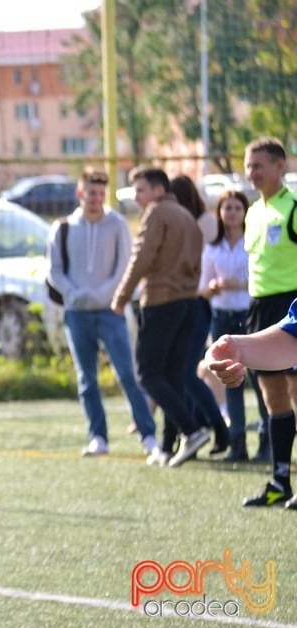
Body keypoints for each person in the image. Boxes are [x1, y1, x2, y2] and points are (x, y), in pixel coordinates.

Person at [47, 168, 157, 458]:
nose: (95, 198)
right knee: (87, 379)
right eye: (90, 192)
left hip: (111, 311)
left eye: (100, 193)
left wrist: (103, 293)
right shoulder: (63, 227)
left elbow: (124, 265)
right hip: (76, 313)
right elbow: (54, 270)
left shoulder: (117, 224)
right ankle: (98, 437)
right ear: (79, 193)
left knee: (127, 374)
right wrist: (75, 293)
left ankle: (148, 435)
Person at [111, 166, 211, 467]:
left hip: (160, 300)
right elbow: (197, 262)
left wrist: (121, 296)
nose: (137, 197)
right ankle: (169, 446)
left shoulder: (156, 213)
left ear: (157, 189)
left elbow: (141, 257)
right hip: (187, 302)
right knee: (172, 375)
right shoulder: (185, 215)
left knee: (148, 374)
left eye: (140, 189)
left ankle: (192, 430)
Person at [236, 136, 297, 508]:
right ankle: (279, 481)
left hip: (291, 308)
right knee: (272, 398)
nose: (252, 173)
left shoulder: (293, 207)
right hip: (259, 308)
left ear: (280, 166)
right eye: (248, 166)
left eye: (259, 165)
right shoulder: (253, 211)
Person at [169, 174, 230, 456]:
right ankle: (184, 433)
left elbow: (194, 263)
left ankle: (216, 427)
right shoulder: (176, 220)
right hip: (178, 302)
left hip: (197, 302)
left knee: (185, 371)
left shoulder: (204, 223)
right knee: (175, 373)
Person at [198, 189, 253, 460]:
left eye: (237, 208)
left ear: (245, 213)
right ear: (219, 213)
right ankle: (238, 443)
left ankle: (267, 440)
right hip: (222, 318)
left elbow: (260, 280)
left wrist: (237, 284)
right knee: (231, 381)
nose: (231, 212)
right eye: (226, 207)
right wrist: (212, 287)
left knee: (263, 379)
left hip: (249, 314)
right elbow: (202, 287)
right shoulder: (212, 248)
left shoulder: (253, 243)